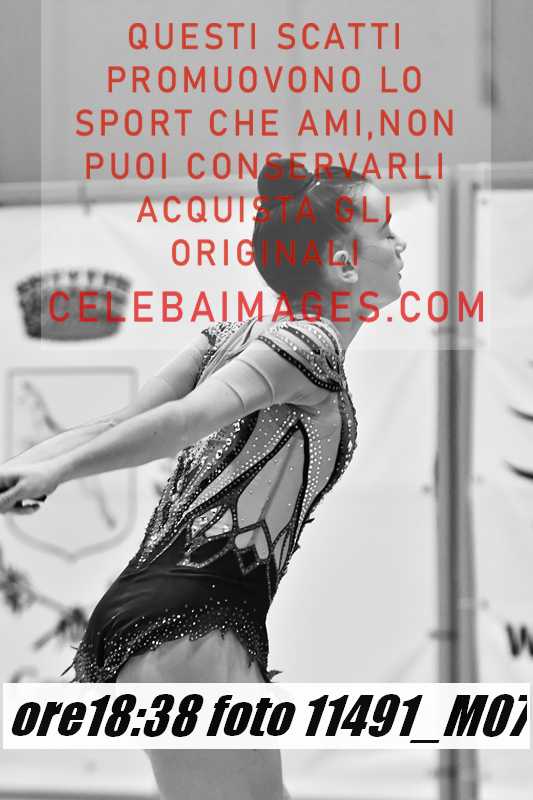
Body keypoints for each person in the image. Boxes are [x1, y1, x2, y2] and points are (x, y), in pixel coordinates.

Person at [0, 157, 406, 800]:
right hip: (193, 617)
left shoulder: (232, 336)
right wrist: (53, 468)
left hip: (187, 616)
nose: (399, 244)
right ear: (344, 265)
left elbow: (120, 421)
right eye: (385, 231)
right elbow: (181, 422)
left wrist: (27, 468)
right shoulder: (310, 344)